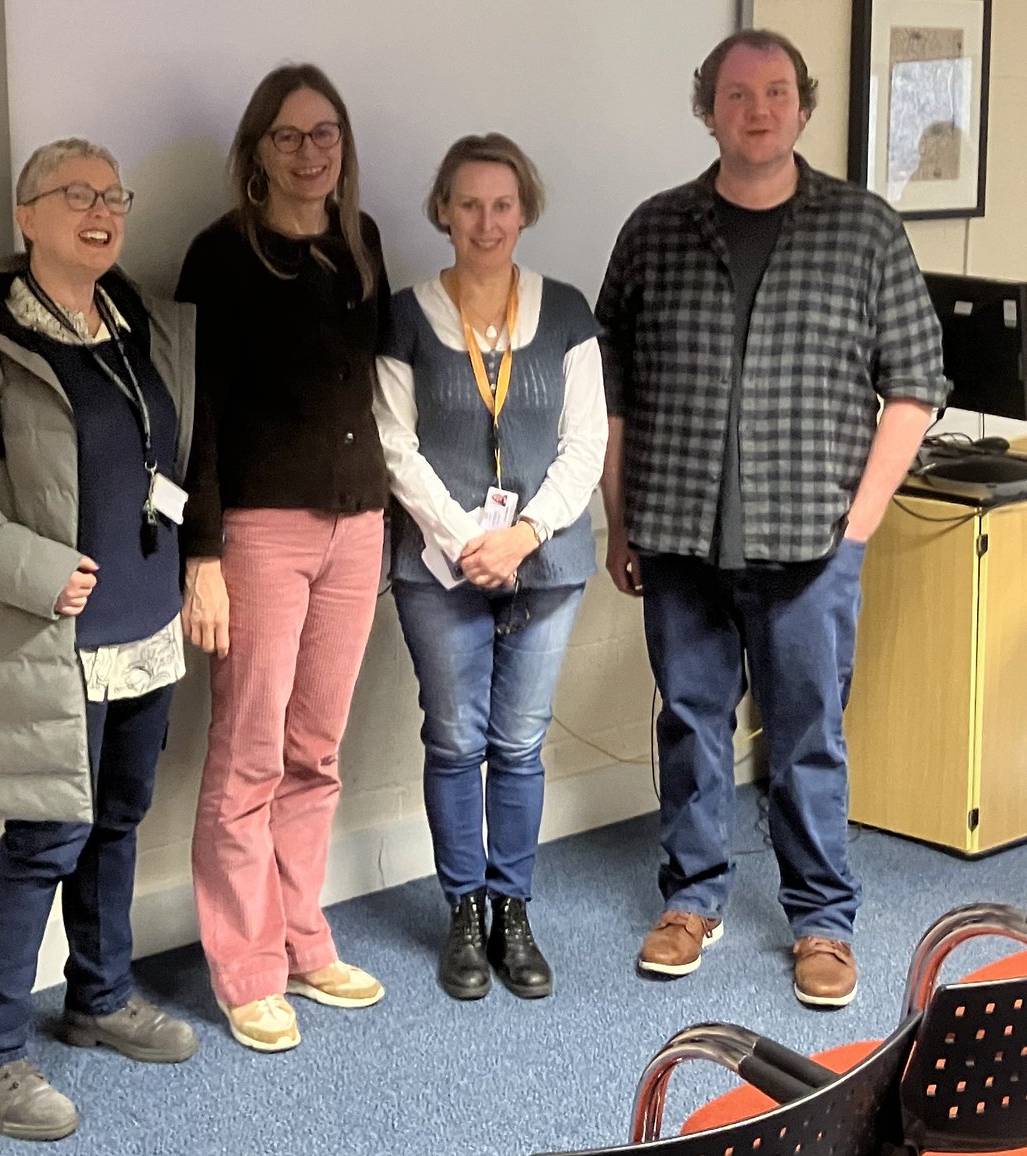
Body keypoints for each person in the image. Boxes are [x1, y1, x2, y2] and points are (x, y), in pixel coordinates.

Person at [596, 29, 947, 1007]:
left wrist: (859, 530)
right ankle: (692, 898)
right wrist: (619, 520)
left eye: (777, 92)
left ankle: (822, 919)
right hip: (678, 536)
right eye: (738, 93)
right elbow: (611, 391)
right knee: (692, 724)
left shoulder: (863, 229)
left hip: (811, 542)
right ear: (709, 107)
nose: (758, 109)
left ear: (804, 106)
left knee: (807, 737)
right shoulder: (656, 230)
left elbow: (916, 387)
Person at [0, 138, 199, 1141]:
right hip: (43, 640)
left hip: (143, 628)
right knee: (40, 839)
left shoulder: (138, 326)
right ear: (26, 216)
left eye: (115, 192)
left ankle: (99, 996)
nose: (102, 210)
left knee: (117, 819)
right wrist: (30, 565)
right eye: (77, 194)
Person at [176, 63, 389, 1052]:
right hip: (260, 531)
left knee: (316, 751)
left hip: (358, 525)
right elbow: (199, 419)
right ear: (257, 150)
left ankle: (307, 940)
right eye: (291, 135)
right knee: (250, 753)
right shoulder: (220, 258)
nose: (313, 151)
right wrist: (204, 555)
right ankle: (247, 965)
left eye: (327, 132)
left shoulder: (361, 245)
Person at [375, 134, 608, 1001]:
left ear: (525, 210)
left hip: (545, 559)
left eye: (502, 204)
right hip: (438, 565)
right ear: (442, 210)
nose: (485, 221)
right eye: (468, 204)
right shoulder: (404, 315)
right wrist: (465, 536)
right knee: (455, 738)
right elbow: (393, 443)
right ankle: (462, 910)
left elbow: (588, 443)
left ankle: (514, 908)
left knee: (518, 743)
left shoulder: (570, 310)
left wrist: (525, 533)